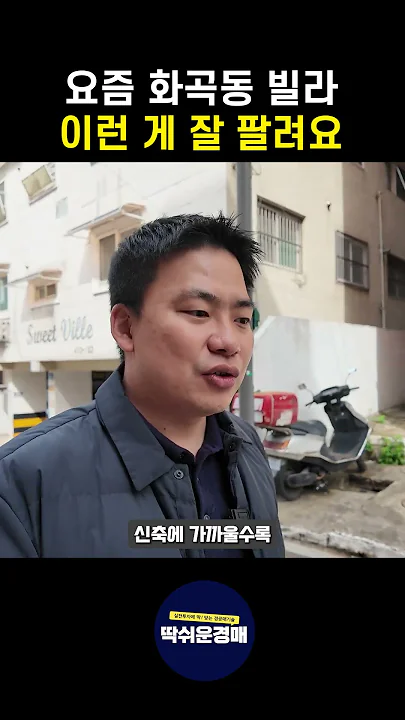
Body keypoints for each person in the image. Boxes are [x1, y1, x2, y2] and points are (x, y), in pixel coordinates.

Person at [0, 213, 285, 558]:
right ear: (126, 327)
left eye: (242, 319)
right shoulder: (21, 480)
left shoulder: (247, 445)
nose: (228, 342)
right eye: (198, 312)